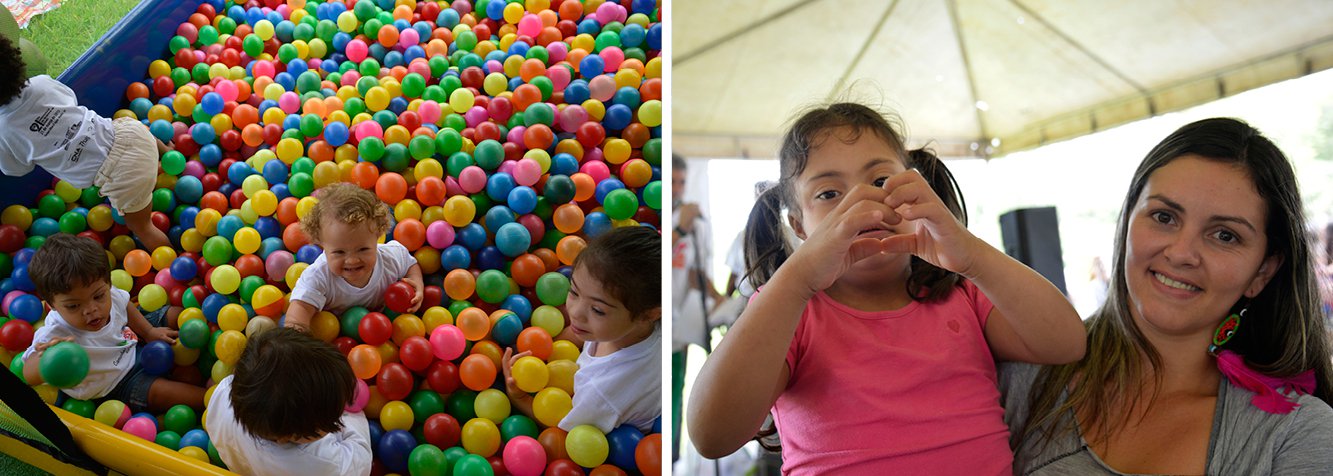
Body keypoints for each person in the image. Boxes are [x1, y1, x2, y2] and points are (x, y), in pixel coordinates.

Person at [687, 102, 1086, 474]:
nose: (862, 203)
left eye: (881, 180)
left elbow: (1066, 343)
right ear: (799, 227)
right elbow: (712, 434)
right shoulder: (789, 310)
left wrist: (972, 256)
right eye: (829, 194)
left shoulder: (963, 292)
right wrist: (798, 278)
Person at [1001, 118, 1333, 474]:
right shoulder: (1024, 375)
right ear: (1127, 221)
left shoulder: (1297, 434)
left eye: (1224, 235)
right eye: (1163, 216)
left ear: (1262, 272)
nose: (1181, 253)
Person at [0, 36, 171, 250]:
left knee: (142, 227)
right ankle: (169, 153)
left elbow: (16, 169)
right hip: (132, 134)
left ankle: (172, 264)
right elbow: (70, 99)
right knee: (130, 131)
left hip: (122, 176)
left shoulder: (4, 132)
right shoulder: (42, 84)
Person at [501, 226, 661, 433]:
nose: (575, 313)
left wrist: (519, 397)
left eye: (597, 310)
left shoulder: (602, 390)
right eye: (574, 292)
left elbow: (567, 429)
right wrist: (543, 352)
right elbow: (574, 335)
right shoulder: (622, 326)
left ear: (649, 314)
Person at [19, 233, 202, 412]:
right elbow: (29, 374)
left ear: (107, 284)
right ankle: (211, 399)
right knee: (163, 393)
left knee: (178, 315)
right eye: (74, 306)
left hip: (130, 336)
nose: (91, 309)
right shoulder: (56, 334)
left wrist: (148, 332)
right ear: (52, 305)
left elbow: (125, 306)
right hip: (119, 382)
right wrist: (49, 357)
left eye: (99, 296)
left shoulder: (108, 292)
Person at [205, 327, 371, 476]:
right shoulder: (322, 465)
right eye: (331, 419)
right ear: (288, 437)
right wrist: (352, 412)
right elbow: (360, 460)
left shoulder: (222, 396)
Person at [283, 183, 424, 331]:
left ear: (378, 235)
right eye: (339, 252)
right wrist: (298, 337)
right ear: (320, 243)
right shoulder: (318, 276)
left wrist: (416, 283)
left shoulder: (391, 257)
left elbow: (410, 264)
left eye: (363, 249)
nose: (352, 260)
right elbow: (300, 310)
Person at [671, 153, 723, 460]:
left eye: (682, 182)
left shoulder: (690, 223)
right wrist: (679, 230)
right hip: (652, 321)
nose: (677, 189)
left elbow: (691, 272)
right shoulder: (666, 219)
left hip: (677, 325)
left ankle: (672, 457)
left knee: (676, 392)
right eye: (672, 182)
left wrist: (718, 298)